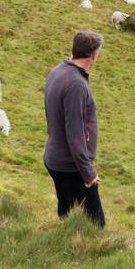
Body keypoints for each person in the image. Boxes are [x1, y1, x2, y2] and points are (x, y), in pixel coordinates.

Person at [43, 30, 105, 227]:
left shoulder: (58, 71)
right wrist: (88, 173)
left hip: (56, 157)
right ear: (94, 55)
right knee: (95, 224)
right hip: (71, 166)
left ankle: (64, 251)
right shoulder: (76, 84)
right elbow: (75, 134)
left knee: (67, 215)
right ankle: (87, 254)